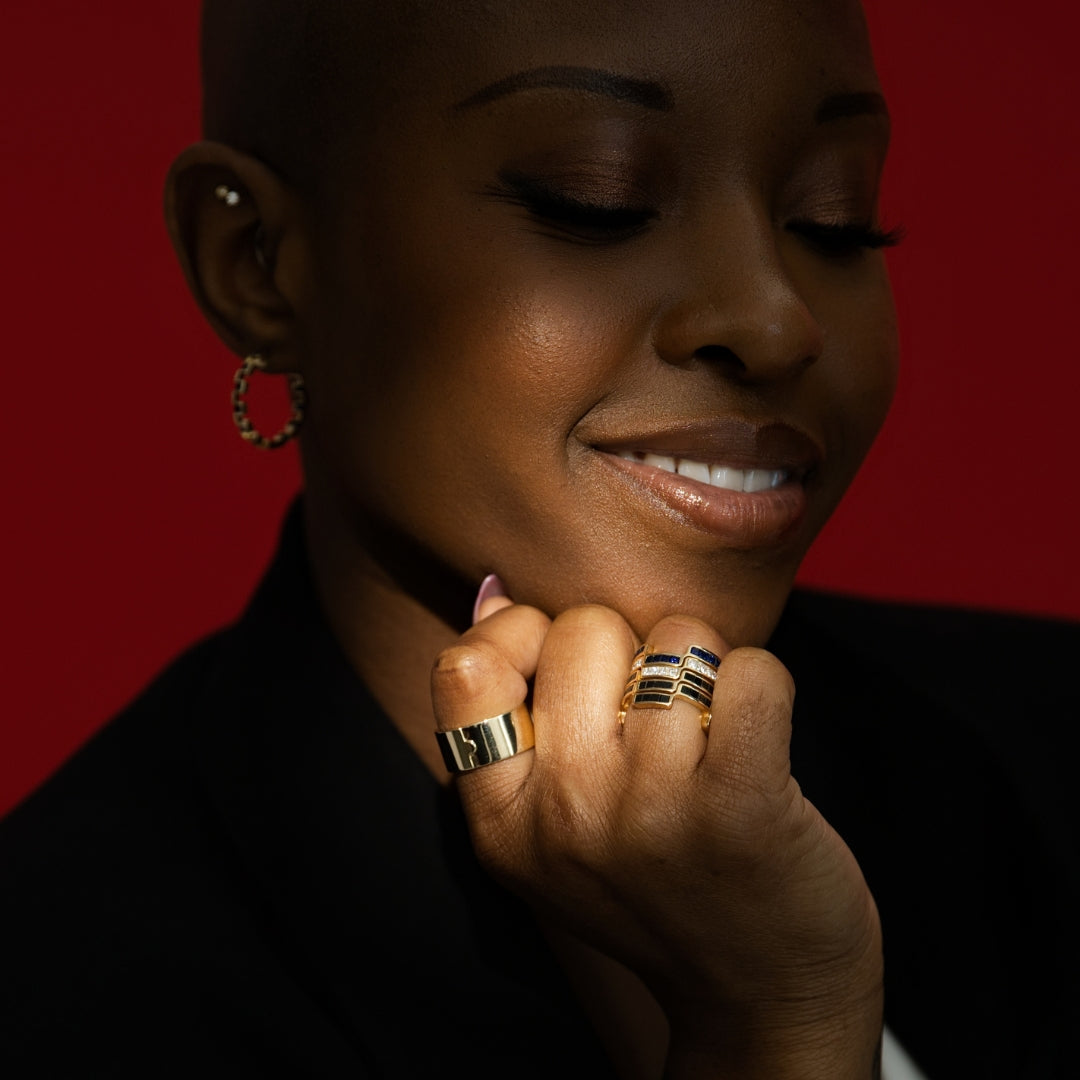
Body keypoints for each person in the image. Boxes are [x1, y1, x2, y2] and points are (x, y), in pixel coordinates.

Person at [1, 1, 1076, 1077]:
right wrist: (781, 1027)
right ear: (257, 260)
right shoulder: (68, 993)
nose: (773, 319)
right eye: (595, 200)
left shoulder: (1042, 750)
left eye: (834, 218)